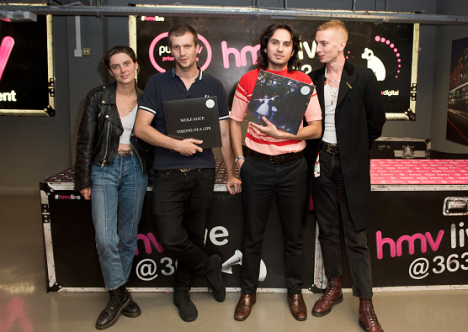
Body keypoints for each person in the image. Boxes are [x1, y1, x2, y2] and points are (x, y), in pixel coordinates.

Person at [134, 24, 241, 322]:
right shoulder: (156, 83)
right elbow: (141, 129)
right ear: (170, 51)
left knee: (194, 236)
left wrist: (231, 173)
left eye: (187, 46)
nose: (182, 53)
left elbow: (222, 135)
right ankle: (209, 267)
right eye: (176, 47)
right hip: (167, 172)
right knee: (169, 236)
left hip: (203, 173)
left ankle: (182, 291)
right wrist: (175, 145)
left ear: (198, 49)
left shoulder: (215, 86)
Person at [230, 23, 322, 322]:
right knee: (252, 236)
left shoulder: (302, 81)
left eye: (286, 44)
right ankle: (248, 293)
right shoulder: (249, 79)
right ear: (265, 46)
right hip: (255, 166)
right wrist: (240, 161)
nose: (280, 48)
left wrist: (285, 136)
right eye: (274, 43)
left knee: (294, 236)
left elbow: (316, 128)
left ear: (292, 49)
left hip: (293, 168)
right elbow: (234, 121)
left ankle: (294, 293)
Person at [306, 20, 386, 332]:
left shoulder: (362, 76)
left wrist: (354, 149)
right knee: (327, 229)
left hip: (351, 164)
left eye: (324, 43)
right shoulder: (312, 78)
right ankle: (334, 286)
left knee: (355, 235)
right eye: (316, 43)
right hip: (320, 161)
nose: (318, 49)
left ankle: (366, 303)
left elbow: (375, 122)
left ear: (341, 44)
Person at [75, 46, 151, 330]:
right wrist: (83, 180)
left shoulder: (147, 98)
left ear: (136, 66)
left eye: (127, 64)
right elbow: (85, 141)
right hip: (104, 168)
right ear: (110, 71)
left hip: (135, 169)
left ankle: (117, 296)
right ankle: (119, 295)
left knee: (128, 237)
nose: (122, 70)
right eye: (116, 66)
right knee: (106, 239)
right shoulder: (98, 97)